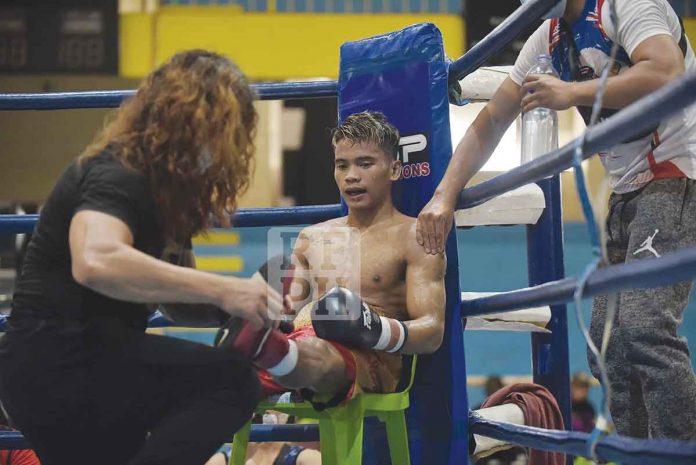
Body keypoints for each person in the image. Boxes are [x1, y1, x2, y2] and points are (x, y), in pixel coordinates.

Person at [417, 0, 696, 440]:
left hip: (677, 175)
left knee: (644, 327)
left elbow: (667, 71)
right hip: (625, 193)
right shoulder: (545, 40)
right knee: (608, 345)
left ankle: (679, 453)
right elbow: (490, 121)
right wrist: (443, 195)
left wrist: (572, 94)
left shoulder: (627, 5)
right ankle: (638, 452)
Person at [0, 50, 284, 465]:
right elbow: (95, 260)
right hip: (59, 359)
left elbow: (176, 302)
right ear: (190, 122)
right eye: (224, 129)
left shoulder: (168, 194)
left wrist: (242, 312)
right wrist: (225, 288)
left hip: (91, 364)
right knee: (230, 382)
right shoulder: (119, 171)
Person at [217, 111, 446, 410]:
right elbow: (292, 314)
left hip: (374, 361)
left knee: (307, 350)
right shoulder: (311, 238)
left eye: (365, 163)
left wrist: (374, 328)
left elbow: (432, 332)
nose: (351, 175)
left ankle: (266, 359)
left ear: (394, 170)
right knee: (235, 363)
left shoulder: (414, 236)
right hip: (305, 342)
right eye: (342, 165)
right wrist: (278, 321)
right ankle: (263, 358)